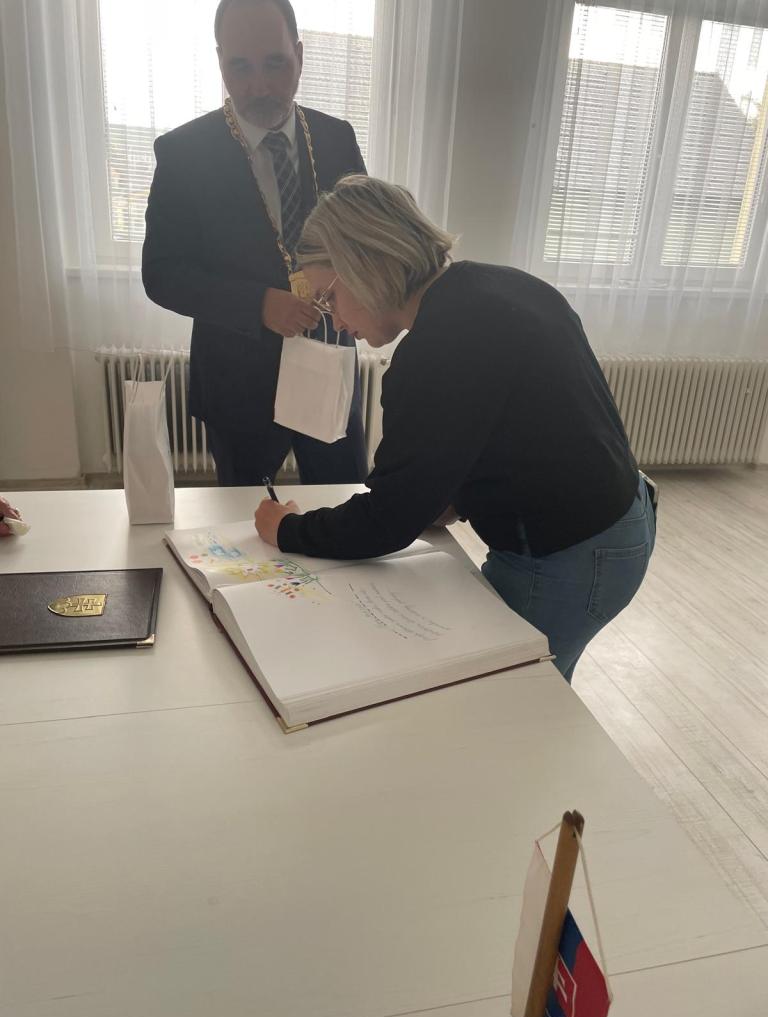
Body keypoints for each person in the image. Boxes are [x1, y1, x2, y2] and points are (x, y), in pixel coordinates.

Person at [254, 175, 656, 682]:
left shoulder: (437, 349)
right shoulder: (503, 286)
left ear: (364, 263)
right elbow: (520, 429)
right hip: (623, 520)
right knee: (528, 688)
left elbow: (387, 521)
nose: (332, 320)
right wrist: (448, 497)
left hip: (569, 556)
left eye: (328, 298)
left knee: (509, 698)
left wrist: (287, 529)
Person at [142, 0, 368, 486]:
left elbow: (364, 241)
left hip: (329, 355)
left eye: (275, 63)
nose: (260, 85)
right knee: (244, 518)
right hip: (237, 376)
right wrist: (258, 304)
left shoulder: (337, 138)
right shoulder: (183, 154)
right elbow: (161, 274)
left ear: (300, 57)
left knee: (344, 499)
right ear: (220, 61)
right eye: (240, 67)